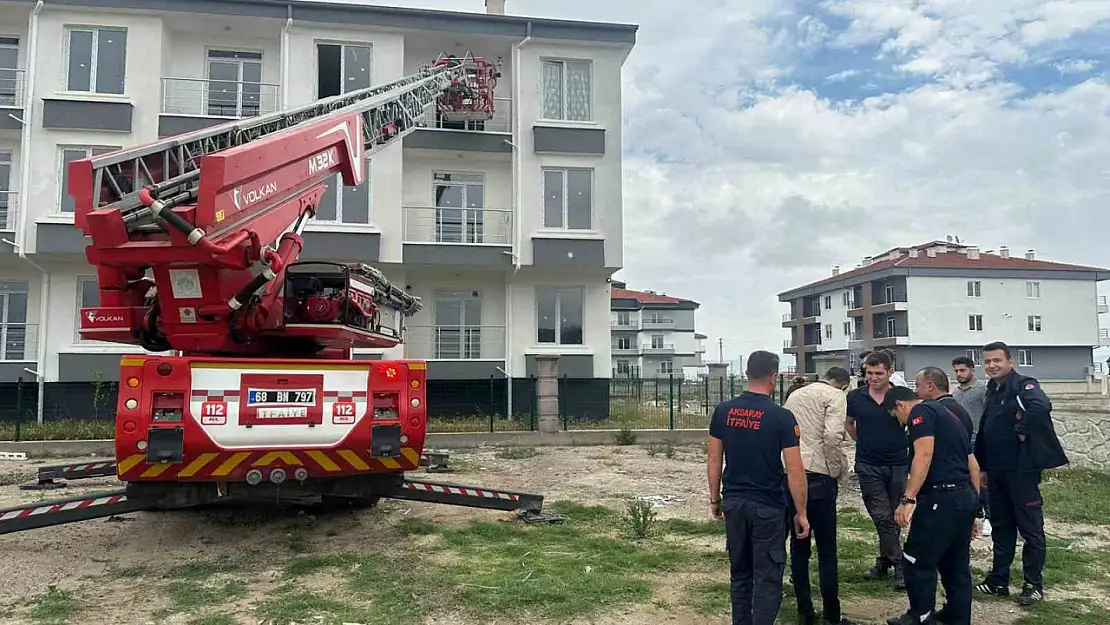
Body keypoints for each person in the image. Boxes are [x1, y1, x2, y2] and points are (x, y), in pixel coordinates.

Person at [708, 350, 811, 625]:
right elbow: (795, 470)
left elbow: (715, 458)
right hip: (768, 507)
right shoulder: (782, 417)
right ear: (774, 377)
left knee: (740, 573)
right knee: (767, 577)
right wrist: (801, 512)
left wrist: (714, 499)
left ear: (746, 374)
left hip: (734, 503)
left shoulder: (724, 411)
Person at [974, 342, 1069, 606]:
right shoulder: (993, 389)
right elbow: (986, 429)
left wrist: (1020, 430)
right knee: (1001, 528)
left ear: (1010, 361)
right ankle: (998, 581)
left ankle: (1033, 585)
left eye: (997, 360)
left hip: (1022, 472)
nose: (992, 365)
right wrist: (982, 466)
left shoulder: (1024, 385)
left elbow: (1041, 407)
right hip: (996, 472)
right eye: (988, 361)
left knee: (1031, 530)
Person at [882, 386, 982, 625]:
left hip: (940, 497)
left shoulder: (921, 414)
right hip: (963, 496)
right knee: (955, 565)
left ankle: (920, 616)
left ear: (900, 405)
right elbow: (974, 466)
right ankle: (958, 618)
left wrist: (908, 499)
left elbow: (923, 455)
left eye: (897, 417)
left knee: (916, 560)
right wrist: (973, 510)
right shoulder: (951, 416)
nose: (901, 422)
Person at [783, 366, 857, 625]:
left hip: (791, 473)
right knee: (826, 550)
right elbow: (833, 436)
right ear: (843, 385)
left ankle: (805, 612)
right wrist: (837, 469)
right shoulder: (835, 396)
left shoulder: (795, 395)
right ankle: (831, 615)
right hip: (818, 475)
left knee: (798, 544)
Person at [845, 350, 908, 590]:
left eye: (878, 373)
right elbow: (849, 424)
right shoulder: (855, 397)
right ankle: (901, 565)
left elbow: (911, 423)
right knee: (881, 515)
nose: (873, 378)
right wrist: (862, 440)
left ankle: (883, 562)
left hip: (898, 463)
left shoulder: (901, 396)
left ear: (890, 372)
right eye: (869, 373)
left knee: (893, 516)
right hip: (868, 464)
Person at [951, 356, 991, 537]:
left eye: (963, 370)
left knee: (983, 481)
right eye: (957, 371)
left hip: (978, 441)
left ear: (972, 370)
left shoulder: (982, 390)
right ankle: (972, 515)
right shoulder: (955, 393)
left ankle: (988, 517)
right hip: (961, 442)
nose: (959, 374)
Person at [914, 366, 974, 440]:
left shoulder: (932, 412)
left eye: (917, 386)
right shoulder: (959, 409)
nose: (915, 391)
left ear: (930, 386)